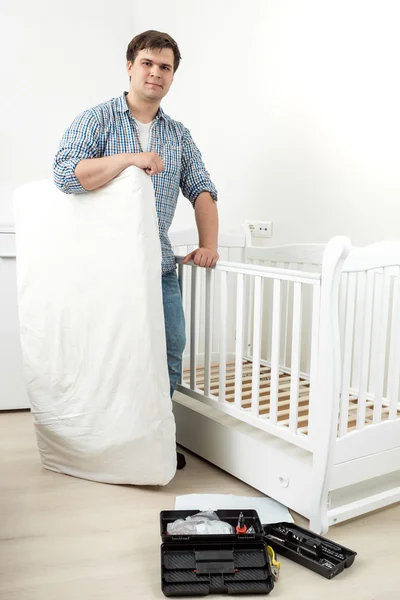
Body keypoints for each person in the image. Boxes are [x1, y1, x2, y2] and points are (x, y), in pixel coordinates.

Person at [53, 30, 219, 471]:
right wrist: (129, 159)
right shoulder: (98, 119)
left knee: (169, 347)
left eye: (165, 67)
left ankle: (154, 438)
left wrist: (208, 245)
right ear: (130, 67)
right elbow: (68, 175)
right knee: (108, 353)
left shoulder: (178, 134)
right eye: (147, 63)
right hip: (104, 265)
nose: (155, 73)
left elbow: (202, 188)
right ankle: (106, 441)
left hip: (157, 263)